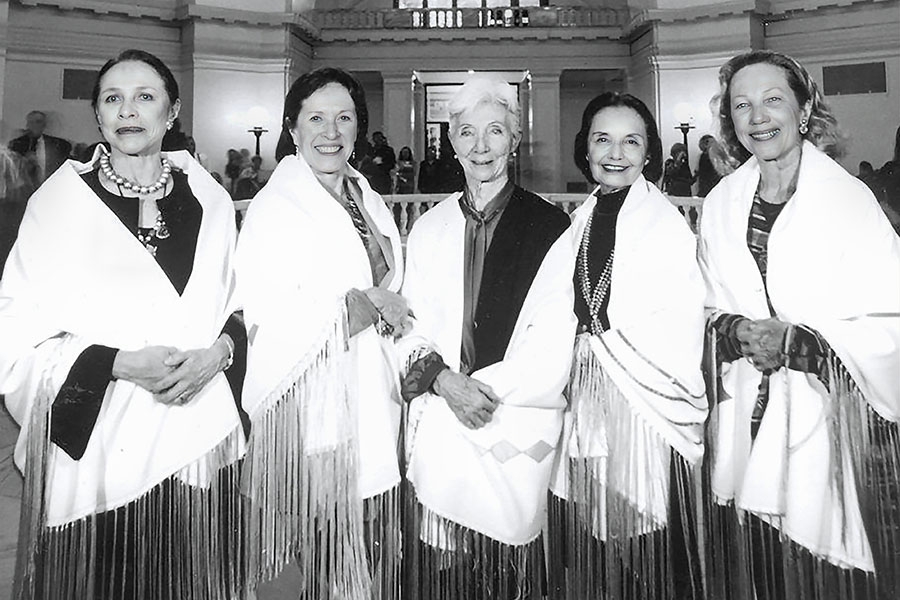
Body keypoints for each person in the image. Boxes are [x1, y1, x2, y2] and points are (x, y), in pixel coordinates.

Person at [0, 49, 247, 600]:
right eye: (113, 98)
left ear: (172, 111)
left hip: (196, 433)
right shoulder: (59, 203)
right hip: (101, 442)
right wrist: (116, 363)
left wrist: (216, 356)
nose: (128, 111)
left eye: (145, 97)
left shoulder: (208, 198)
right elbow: (15, 328)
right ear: (98, 114)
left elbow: (241, 306)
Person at [700, 50, 900, 600]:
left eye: (772, 100)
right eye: (742, 105)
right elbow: (704, 303)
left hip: (829, 414)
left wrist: (801, 341)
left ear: (804, 108)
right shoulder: (719, 204)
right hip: (745, 410)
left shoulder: (849, 200)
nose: (757, 117)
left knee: (817, 574)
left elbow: (890, 313)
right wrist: (734, 330)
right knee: (755, 568)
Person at [398, 73, 575, 599]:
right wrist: (444, 382)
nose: (481, 146)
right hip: (441, 414)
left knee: (507, 570)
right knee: (443, 572)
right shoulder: (429, 228)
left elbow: (553, 335)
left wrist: (480, 394)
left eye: (495, 131)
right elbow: (408, 326)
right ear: (451, 142)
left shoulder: (549, 226)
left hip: (512, 420)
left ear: (514, 141)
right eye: (468, 132)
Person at [235, 67, 409, 600]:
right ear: (292, 128)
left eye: (344, 118)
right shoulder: (275, 206)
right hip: (304, 403)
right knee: (299, 547)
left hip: (368, 391)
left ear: (359, 128)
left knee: (357, 548)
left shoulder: (365, 195)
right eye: (316, 119)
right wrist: (363, 308)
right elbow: (265, 311)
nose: (330, 132)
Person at [546, 92, 707, 600]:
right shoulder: (583, 217)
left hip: (644, 405)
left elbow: (679, 321)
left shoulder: (665, 224)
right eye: (603, 140)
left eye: (631, 142)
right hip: (587, 395)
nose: (616, 154)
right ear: (585, 149)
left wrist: (605, 356)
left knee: (645, 538)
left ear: (648, 152)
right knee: (595, 532)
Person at [8, 110, 72, 185]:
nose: (34, 125)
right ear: (27, 125)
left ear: (44, 125)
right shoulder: (16, 144)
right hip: (26, 187)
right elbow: (11, 172)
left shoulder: (60, 145)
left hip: (53, 186)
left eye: (38, 122)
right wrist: (24, 162)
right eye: (31, 122)